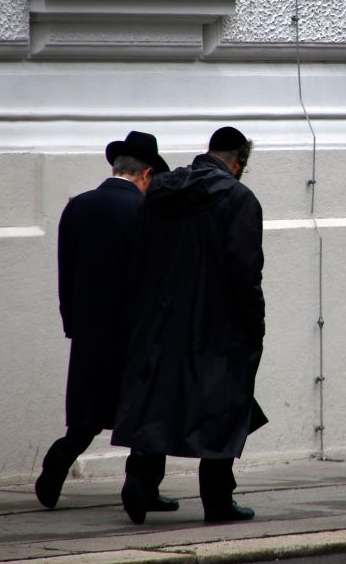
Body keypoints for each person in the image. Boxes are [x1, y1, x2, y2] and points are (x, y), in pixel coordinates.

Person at [111, 126, 268, 525]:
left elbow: (138, 257)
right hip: (217, 324)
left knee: (159, 400)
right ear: (239, 161)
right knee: (223, 406)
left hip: (160, 318)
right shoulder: (239, 199)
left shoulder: (162, 190)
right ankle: (217, 500)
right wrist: (255, 324)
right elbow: (246, 273)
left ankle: (138, 482)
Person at [35, 131, 177, 514]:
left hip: (90, 331)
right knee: (146, 413)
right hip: (136, 332)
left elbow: (66, 272)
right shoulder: (145, 212)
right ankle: (140, 485)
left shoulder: (78, 207)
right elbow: (153, 277)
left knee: (86, 416)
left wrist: (72, 322)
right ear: (146, 175)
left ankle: (57, 462)